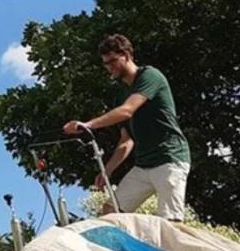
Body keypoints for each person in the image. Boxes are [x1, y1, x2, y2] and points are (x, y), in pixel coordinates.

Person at [63, 33, 191, 221]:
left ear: (127, 55)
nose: (109, 67)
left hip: (169, 159)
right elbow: (126, 141)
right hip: (144, 165)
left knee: (169, 224)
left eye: (112, 61)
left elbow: (127, 111)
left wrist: (87, 125)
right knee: (110, 212)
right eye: (105, 63)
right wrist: (107, 170)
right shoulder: (120, 94)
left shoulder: (150, 76)